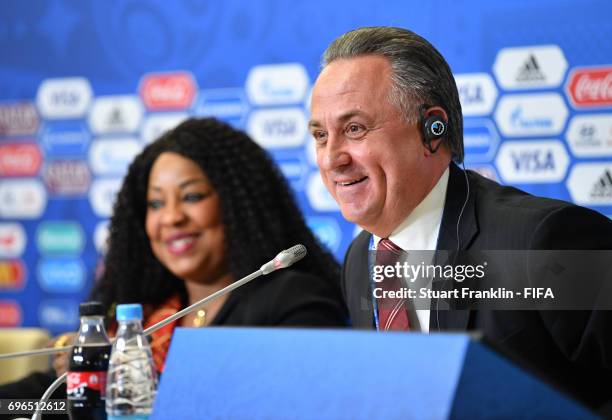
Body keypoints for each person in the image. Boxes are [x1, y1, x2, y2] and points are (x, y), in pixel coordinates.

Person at [308, 26, 612, 410]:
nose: (332, 158)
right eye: (320, 135)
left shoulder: (541, 241)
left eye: (354, 129)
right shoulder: (359, 260)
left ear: (432, 130)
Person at [0, 117, 348, 412]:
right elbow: (51, 398)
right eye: (155, 203)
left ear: (238, 205)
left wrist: (120, 386)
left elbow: (282, 406)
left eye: (192, 197)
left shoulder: (293, 301)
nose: (171, 218)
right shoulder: (148, 314)